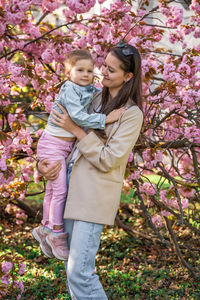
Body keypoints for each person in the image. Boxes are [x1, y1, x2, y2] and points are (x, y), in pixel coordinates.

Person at [38, 41, 143, 299]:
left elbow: (109, 159)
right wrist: (44, 165)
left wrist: (77, 130)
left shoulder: (131, 114)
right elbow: (59, 138)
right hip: (71, 189)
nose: (103, 73)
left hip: (93, 198)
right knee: (71, 269)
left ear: (128, 76)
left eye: (112, 70)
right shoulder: (93, 96)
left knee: (80, 272)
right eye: (104, 66)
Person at [32, 49, 125, 261]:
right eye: (80, 70)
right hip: (54, 145)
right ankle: (56, 233)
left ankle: (44, 228)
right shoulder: (70, 90)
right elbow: (77, 117)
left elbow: (96, 95)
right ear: (68, 72)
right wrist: (106, 119)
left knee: (52, 189)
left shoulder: (89, 88)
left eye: (90, 70)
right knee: (60, 191)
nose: (86, 74)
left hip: (61, 146)